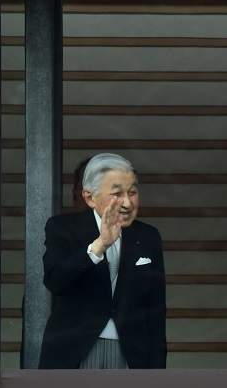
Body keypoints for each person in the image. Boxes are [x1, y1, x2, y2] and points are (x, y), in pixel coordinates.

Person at [38, 153, 166, 369]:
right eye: (117, 193)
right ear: (89, 197)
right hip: (76, 350)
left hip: (132, 352)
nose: (127, 202)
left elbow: (156, 310)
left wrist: (157, 370)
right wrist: (98, 247)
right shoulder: (63, 228)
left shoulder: (148, 237)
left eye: (132, 193)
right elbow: (55, 281)